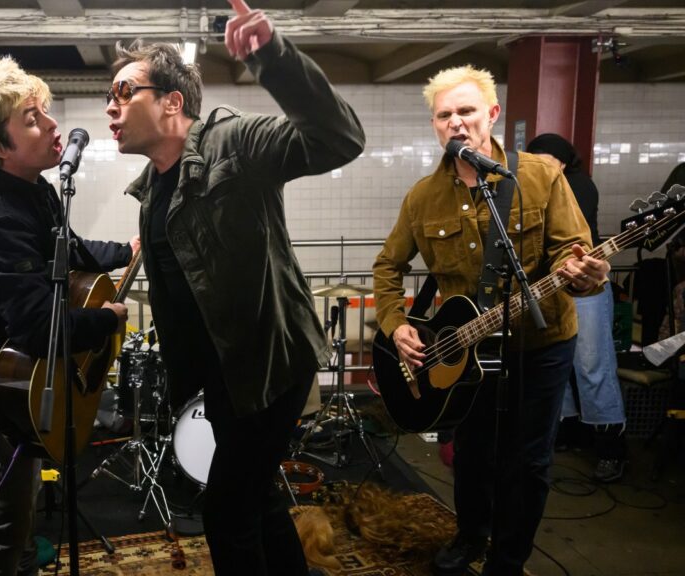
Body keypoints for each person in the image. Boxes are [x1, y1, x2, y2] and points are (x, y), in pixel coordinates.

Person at [106, 1, 364, 573]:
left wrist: (273, 57)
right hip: (217, 380)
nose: (112, 108)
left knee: (227, 510)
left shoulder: (233, 142)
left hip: (268, 367)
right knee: (257, 495)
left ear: (173, 101)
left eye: (125, 92)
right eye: (109, 97)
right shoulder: (151, 188)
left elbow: (338, 139)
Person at [372, 65, 610, 576]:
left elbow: (576, 251)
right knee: (473, 453)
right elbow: (388, 267)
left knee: (528, 463)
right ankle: (470, 534)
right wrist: (397, 324)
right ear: (435, 124)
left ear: (492, 115)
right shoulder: (422, 197)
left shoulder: (540, 176)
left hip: (541, 343)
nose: (456, 123)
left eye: (466, 111)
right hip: (468, 355)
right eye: (444, 115)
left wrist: (585, 271)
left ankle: (507, 559)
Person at [0, 56, 138, 576]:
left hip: (16, 374)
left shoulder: (32, 191)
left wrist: (126, 249)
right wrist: (109, 319)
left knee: (23, 517)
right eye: (32, 119)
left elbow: (68, 251)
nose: (53, 125)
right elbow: (40, 327)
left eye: (45, 112)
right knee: (4, 530)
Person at [526, 133, 628, 482]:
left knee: (592, 366)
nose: (540, 167)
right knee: (558, 367)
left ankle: (611, 449)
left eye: (547, 160)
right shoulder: (536, 184)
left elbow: (567, 242)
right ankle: (567, 435)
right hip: (551, 290)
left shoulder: (578, 186)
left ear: (564, 162)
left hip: (585, 290)